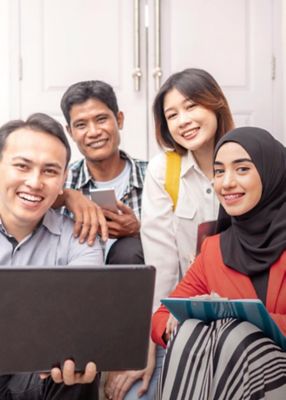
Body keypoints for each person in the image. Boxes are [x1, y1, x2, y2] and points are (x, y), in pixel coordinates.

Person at [120, 68, 233, 400]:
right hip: (183, 321)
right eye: (172, 114)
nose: (183, 120)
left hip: (244, 320)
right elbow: (162, 264)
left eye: (192, 106)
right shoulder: (163, 170)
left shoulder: (253, 158)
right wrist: (151, 344)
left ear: (215, 105)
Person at [152, 126, 286, 399]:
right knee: (190, 327)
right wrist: (176, 323)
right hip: (228, 381)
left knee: (231, 334)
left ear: (272, 173)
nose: (226, 183)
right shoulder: (214, 249)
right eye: (219, 171)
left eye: (242, 169)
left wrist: (238, 321)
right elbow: (161, 318)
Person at [0, 113, 103, 399]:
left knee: (78, 368)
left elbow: (83, 318)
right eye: (22, 166)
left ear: (63, 181)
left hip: (43, 372)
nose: (34, 182)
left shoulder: (79, 237)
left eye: (49, 171)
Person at [60, 80, 148, 265]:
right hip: (78, 287)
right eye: (81, 125)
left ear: (119, 120)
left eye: (101, 119)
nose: (93, 132)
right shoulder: (63, 182)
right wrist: (67, 196)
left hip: (140, 289)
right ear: (70, 132)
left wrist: (139, 230)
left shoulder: (153, 176)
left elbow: (181, 242)